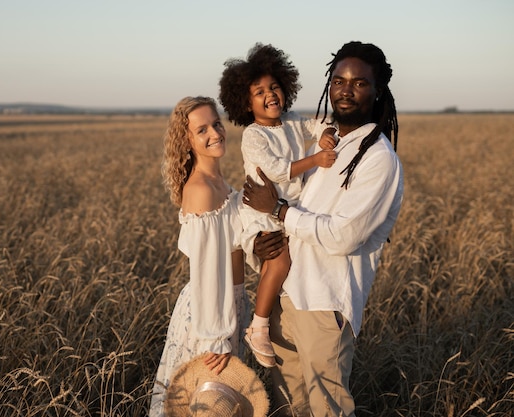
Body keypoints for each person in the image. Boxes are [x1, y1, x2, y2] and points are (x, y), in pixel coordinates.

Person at [242, 41, 404, 416]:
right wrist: (262, 241)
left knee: (327, 409)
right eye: (338, 79)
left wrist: (279, 210)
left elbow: (342, 237)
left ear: (378, 90)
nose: (346, 89)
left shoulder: (378, 158)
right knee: (287, 408)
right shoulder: (327, 143)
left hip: (325, 304)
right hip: (288, 298)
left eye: (359, 83)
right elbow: (294, 207)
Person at [218, 43, 338, 368]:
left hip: (285, 207)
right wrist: (315, 158)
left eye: (274, 87)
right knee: (280, 260)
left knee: (282, 266)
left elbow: (317, 125)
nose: (270, 95)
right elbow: (275, 170)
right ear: (245, 102)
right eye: (259, 92)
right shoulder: (254, 136)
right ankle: (257, 327)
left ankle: (268, 322)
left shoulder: (292, 120)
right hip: (261, 210)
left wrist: (326, 132)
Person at [150, 96, 250, 416]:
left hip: (230, 304)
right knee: (201, 403)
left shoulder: (221, 183)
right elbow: (206, 273)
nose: (215, 133)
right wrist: (216, 339)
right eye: (202, 129)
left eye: (216, 123)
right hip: (210, 316)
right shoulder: (201, 190)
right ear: (188, 140)